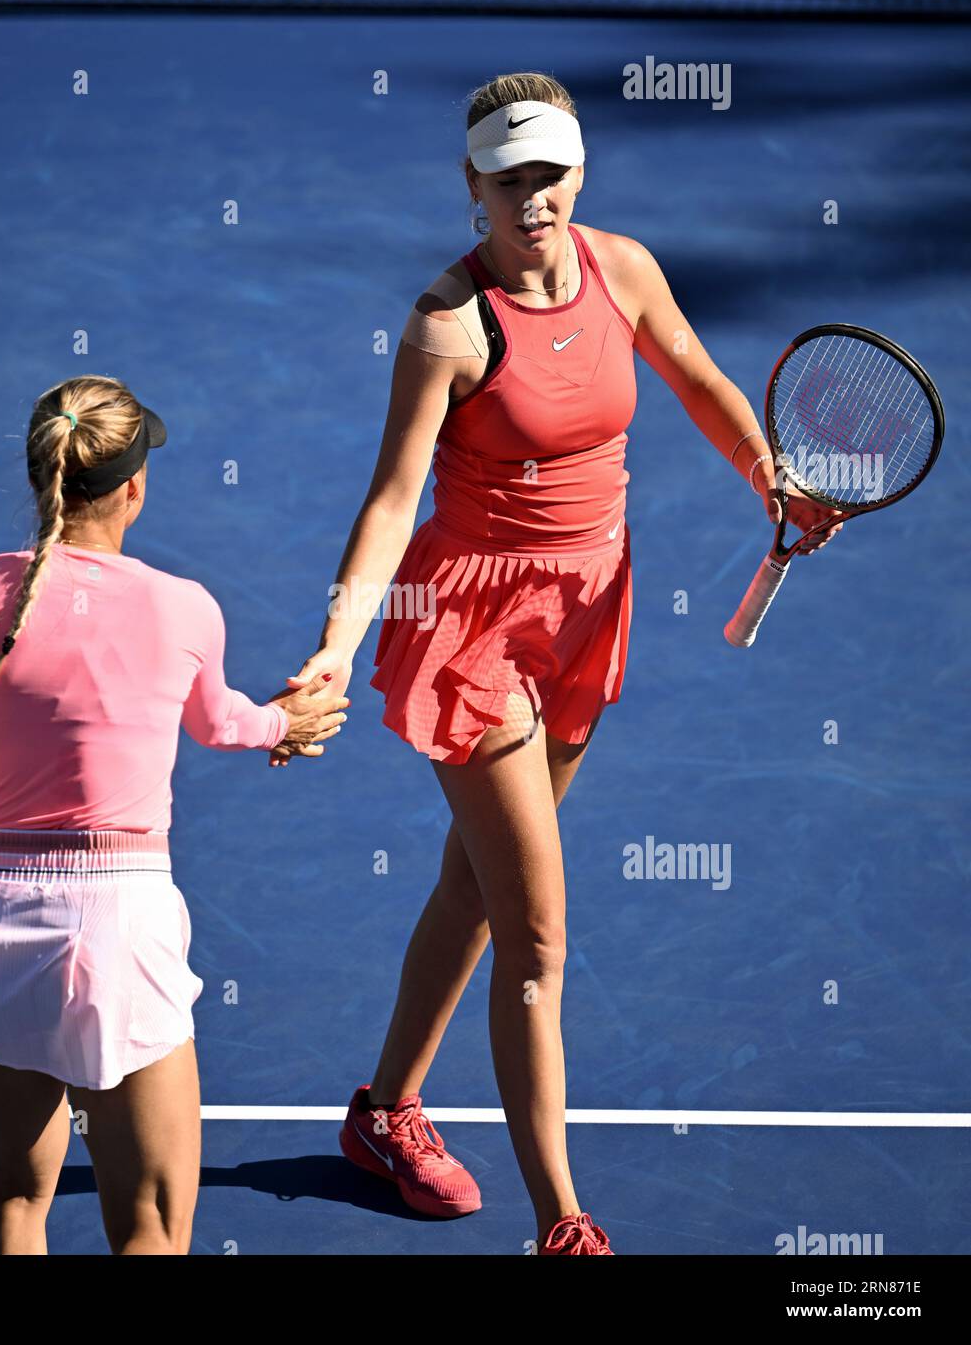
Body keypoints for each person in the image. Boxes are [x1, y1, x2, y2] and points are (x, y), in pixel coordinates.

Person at [276, 72, 839, 1255]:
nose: (534, 198)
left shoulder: (621, 267)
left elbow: (693, 375)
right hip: (472, 631)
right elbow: (390, 503)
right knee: (536, 932)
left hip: (586, 612)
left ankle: (383, 1113)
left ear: (577, 174)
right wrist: (334, 646)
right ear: (471, 186)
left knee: (475, 888)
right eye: (509, 178)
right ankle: (562, 1222)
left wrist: (768, 475)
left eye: (551, 173)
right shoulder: (447, 324)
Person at [0, 375, 349, 1254]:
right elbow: (222, 722)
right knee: (148, 1223)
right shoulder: (183, 605)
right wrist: (287, 724)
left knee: (12, 1193)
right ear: (133, 490)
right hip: (123, 930)